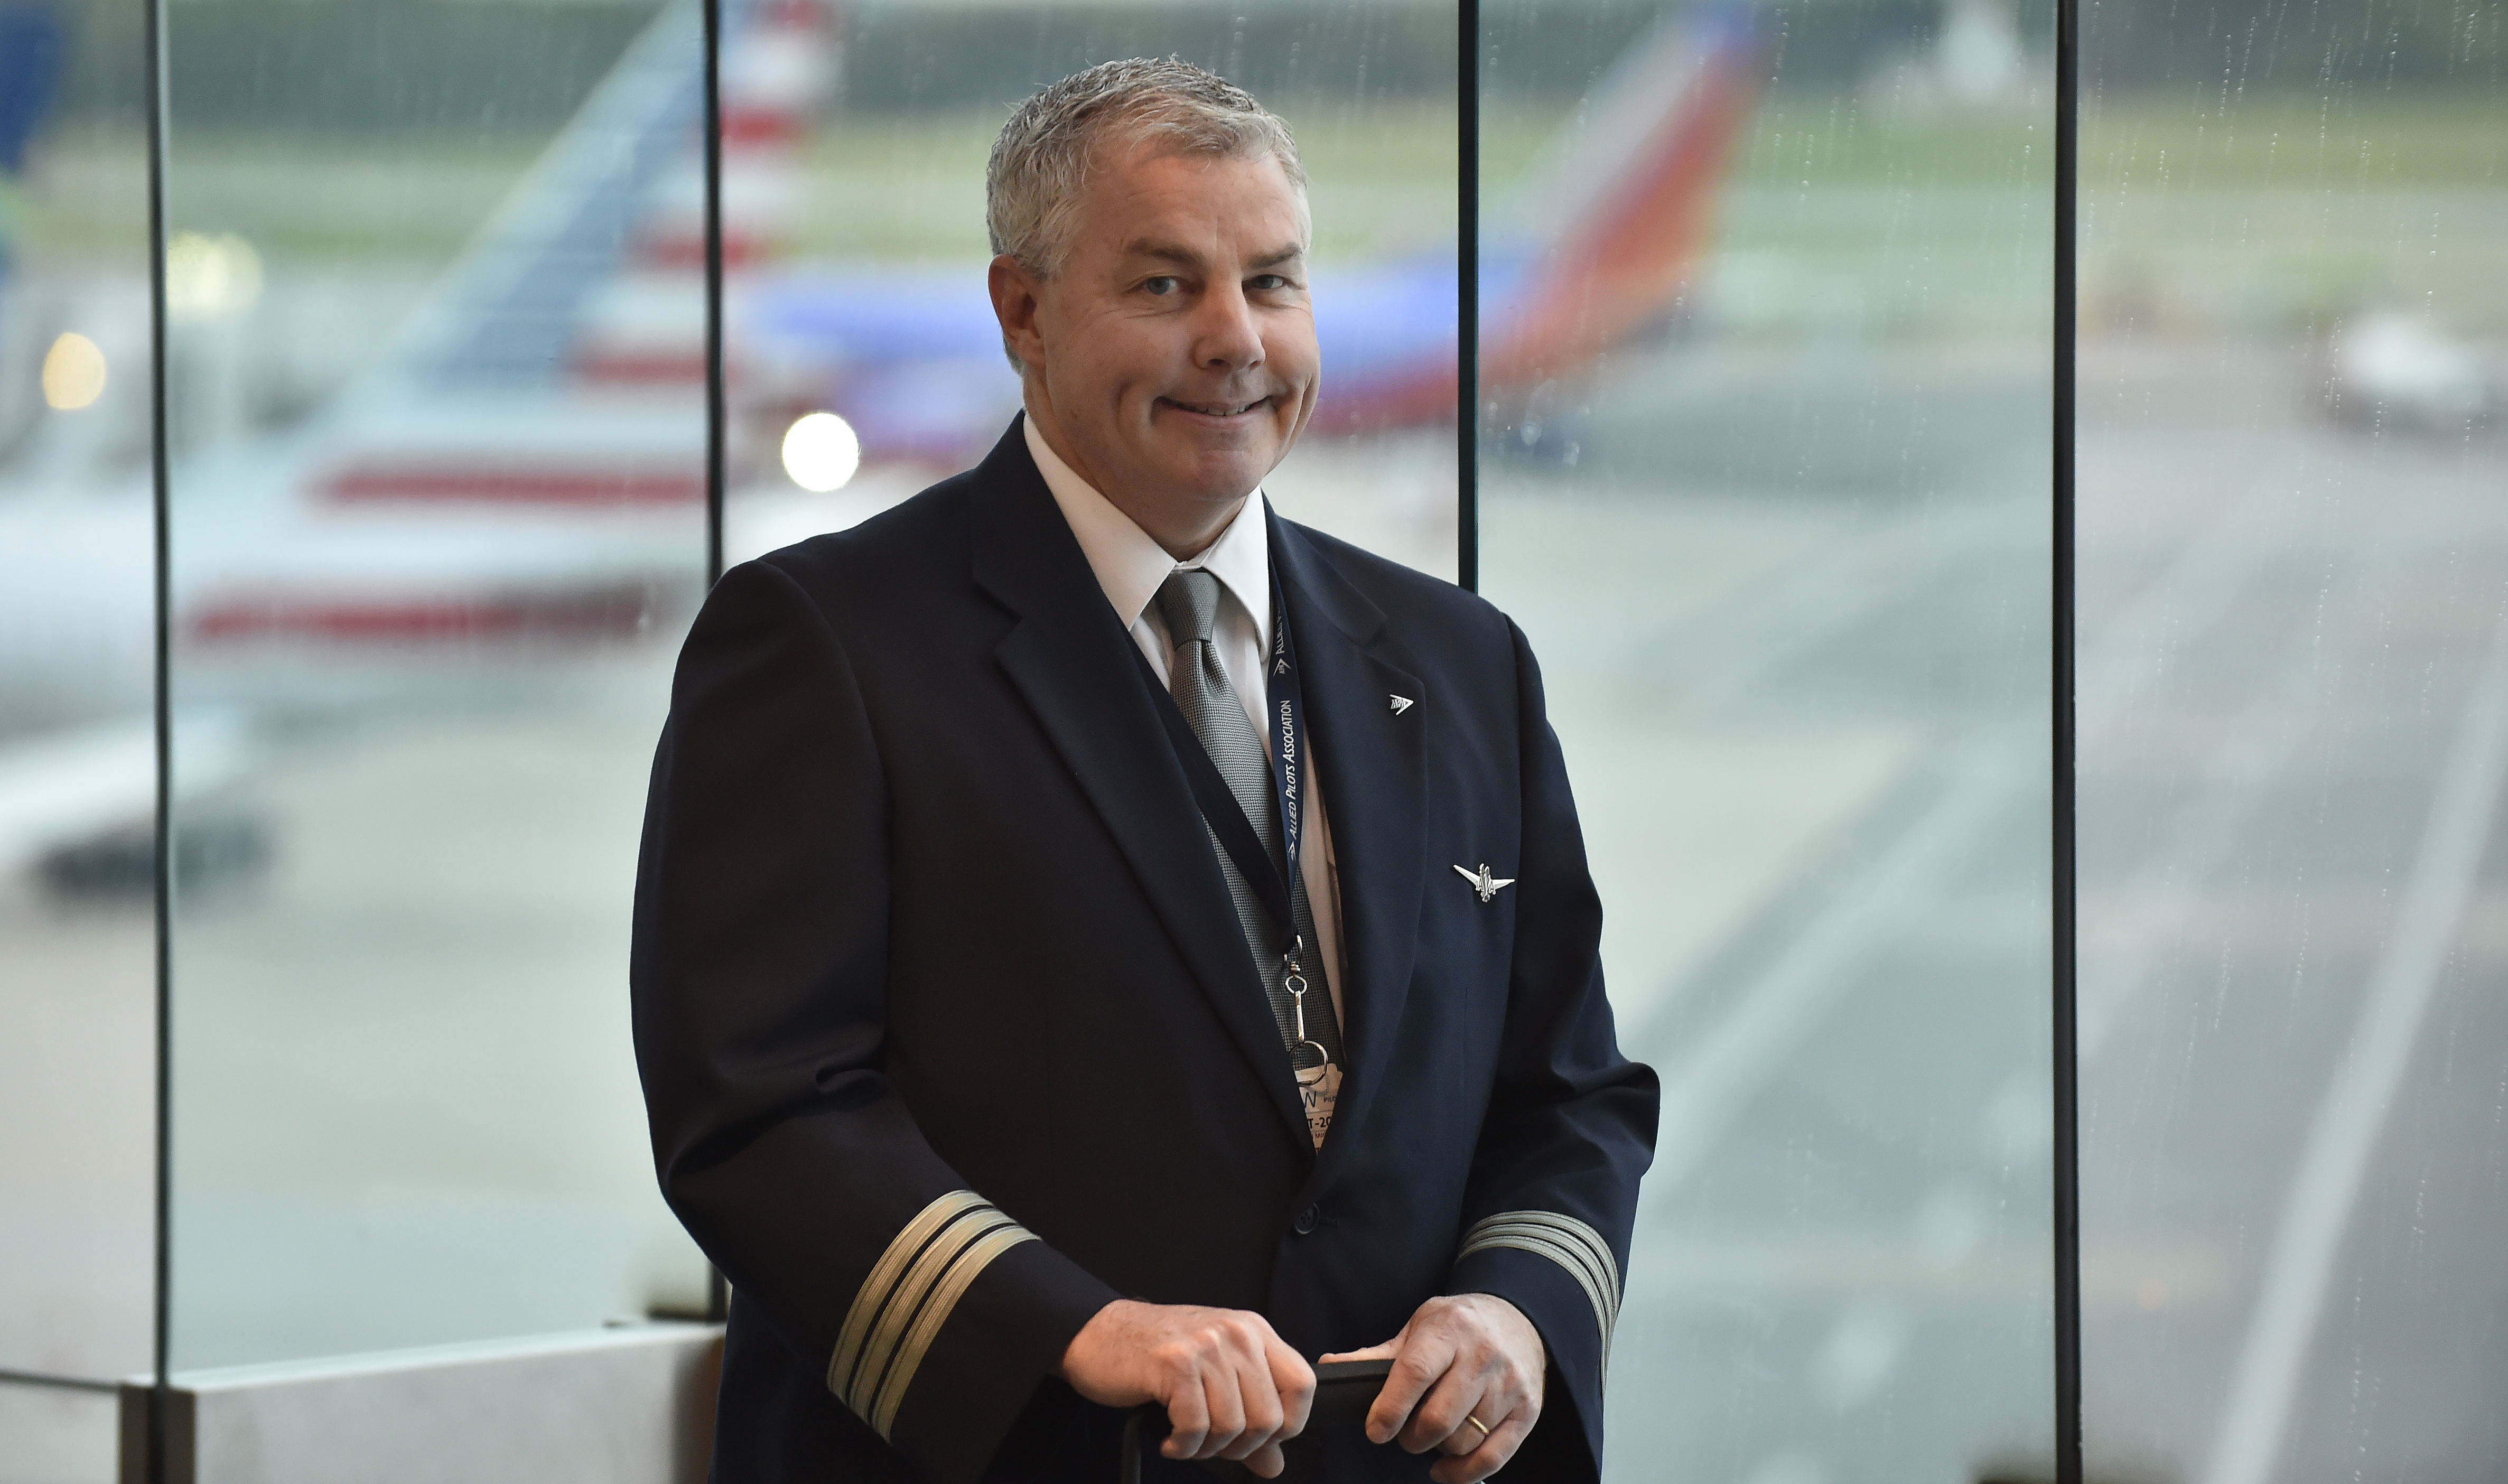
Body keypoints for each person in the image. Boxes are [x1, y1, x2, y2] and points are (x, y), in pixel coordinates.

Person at [630, 57, 1656, 1484]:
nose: (1235, 340)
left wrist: (1519, 1308)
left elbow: (1570, 1094)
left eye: (1274, 282)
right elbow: (757, 1105)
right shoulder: (823, 645)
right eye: (1166, 285)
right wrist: (1074, 1325)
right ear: (1023, 312)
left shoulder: (1463, 658)